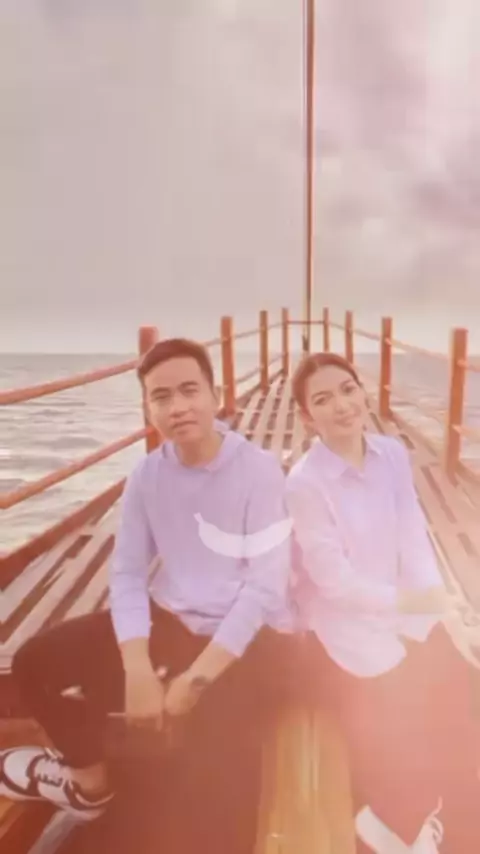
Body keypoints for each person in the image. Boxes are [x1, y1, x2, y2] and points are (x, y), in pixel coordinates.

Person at [1, 338, 292, 853]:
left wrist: (194, 680)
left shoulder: (259, 470)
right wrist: (136, 667)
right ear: (148, 407)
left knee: (216, 801)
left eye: (189, 390)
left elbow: (263, 590)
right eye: (161, 396)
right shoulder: (147, 475)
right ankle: (88, 783)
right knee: (33, 663)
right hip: (170, 620)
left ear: (216, 394)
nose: (177, 407)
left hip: (241, 642)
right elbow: (129, 574)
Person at [285, 351, 480, 854]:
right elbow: (334, 583)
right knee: (403, 720)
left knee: (466, 698)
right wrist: (409, 604)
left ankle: (438, 825)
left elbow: (413, 536)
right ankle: (391, 823)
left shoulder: (391, 454)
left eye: (348, 389)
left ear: (363, 391)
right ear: (306, 417)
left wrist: (434, 605)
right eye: (323, 400)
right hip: (348, 631)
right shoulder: (305, 483)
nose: (342, 406)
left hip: (405, 611)